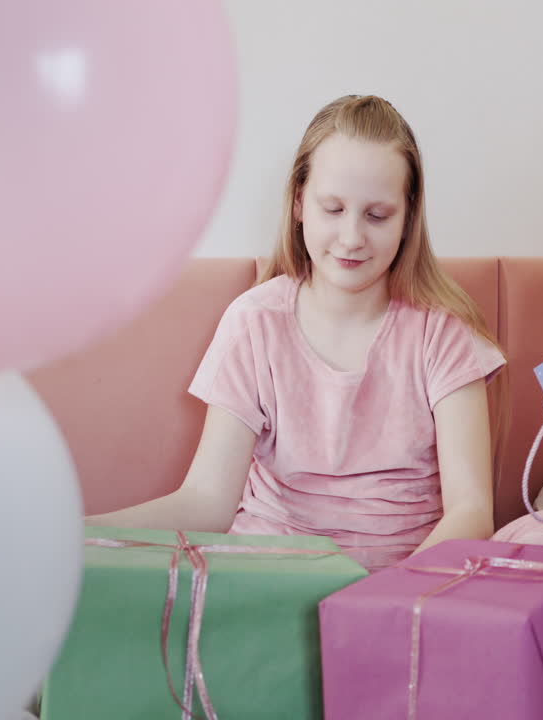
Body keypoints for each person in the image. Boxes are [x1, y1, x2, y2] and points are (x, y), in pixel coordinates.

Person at [87, 95, 506, 571]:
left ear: (408, 217)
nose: (351, 238)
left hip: (401, 593)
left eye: (377, 215)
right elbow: (207, 501)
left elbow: (471, 513)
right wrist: (84, 533)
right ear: (299, 202)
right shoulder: (254, 321)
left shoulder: (442, 332)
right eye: (333, 209)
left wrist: (384, 600)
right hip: (268, 581)